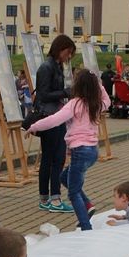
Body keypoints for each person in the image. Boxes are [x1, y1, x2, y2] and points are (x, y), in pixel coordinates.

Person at [27, 68, 110, 230]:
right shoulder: (96, 105)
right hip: (92, 151)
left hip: (80, 151)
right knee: (64, 177)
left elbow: (54, 120)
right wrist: (99, 84)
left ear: (77, 86)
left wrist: (34, 126)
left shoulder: (75, 104)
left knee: (73, 193)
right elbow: (108, 100)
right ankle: (88, 206)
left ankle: (86, 227)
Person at [33, 35, 75, 212]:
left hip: (56, 114)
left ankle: (47, 197)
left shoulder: (56, 66)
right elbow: (42, 95)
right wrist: (65, 92)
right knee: (54, 158)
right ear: (61, 49)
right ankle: (53, 199)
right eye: (68, 53)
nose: (69, 57)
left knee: (53, 158)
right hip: (49, 116)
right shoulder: (47, 67)